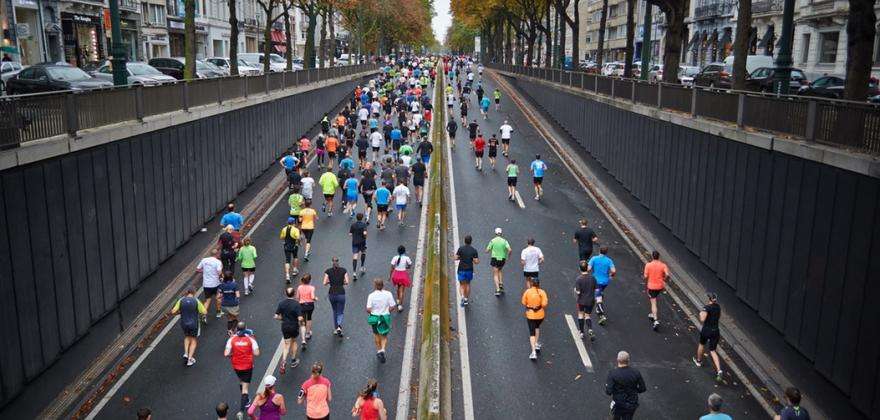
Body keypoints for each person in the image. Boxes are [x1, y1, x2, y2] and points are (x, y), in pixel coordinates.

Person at [225, 322, 260, 415]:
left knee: (241, 381)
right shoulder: (250, 339)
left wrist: (234, 354)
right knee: (245, 389)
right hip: (247, 366)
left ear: (236, 329)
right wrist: (248, 351)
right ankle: (241, 410)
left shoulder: (232, 339)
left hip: (236, 366)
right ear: (246, 328)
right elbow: (257, 353)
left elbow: (226, 353)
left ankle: (247, 400)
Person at [605, 351, 647, 420]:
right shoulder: (636, 372)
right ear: (628, 360)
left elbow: (608, 391)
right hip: (632, 403)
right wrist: (635, 390)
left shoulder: (613, 373)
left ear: (617, 360)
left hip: (618, 403)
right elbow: (643, 388)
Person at [171, 288, 207, 366]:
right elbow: (204, 311)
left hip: (184, 323)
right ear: (194, 293)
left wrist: (180, 312)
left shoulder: (181, 300)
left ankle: (186, 353)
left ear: (186, 293)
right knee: (193, 340)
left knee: (187, 337)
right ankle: (190, 359)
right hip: (194, 324)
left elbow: (173, 311)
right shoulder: (196, 301)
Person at [693, 293, 724, 382]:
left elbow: (702, 319)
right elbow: (719, 317)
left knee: (702, 344)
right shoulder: (718, 307)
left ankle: (698, 361)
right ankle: (719, 370)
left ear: (709, 299)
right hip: (715, 331)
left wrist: (700, 313)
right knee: (713, 350)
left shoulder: (707, 308)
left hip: (706, 330)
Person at [366, 278, 397, 363]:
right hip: (384, 317)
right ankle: (383, 349)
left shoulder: (371, 295)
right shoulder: (388, 294)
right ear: (383, 285)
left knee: (376, 334)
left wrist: (373, 312)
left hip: (375, 317)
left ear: (375, 285)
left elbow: (368, 309)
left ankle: (379, 350)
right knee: (384, 335)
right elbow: (393, 306)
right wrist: (387, 312)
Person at [275, 287, 302, 375]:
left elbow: (276, 316)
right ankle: (293, 360)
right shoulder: (296, 304)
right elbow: (300, 318)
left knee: (286, 344)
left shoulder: (281, 303)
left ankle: (283, 361)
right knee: (294, 342)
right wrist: (301, 322)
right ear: (294, 294)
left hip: (285, 326)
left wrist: (282, 318)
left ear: (286, 293)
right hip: (294, 326)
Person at [521, 277, 548, 360]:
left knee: (531, 333)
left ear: (532, 283)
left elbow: (523, 302)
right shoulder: (542, 292)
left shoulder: (527, 292)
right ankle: (536, 343)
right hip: (540, 315)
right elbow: (544, 304)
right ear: (539, 284)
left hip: (530, 315)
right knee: (537, 327)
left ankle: (533, 352)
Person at [588, 246, 616, 325]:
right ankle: (598, 306)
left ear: (599, 251)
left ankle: (601, 314)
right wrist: (611, 275)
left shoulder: (594, 258)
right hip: (605, 282)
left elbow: (588, 269)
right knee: (600, 293)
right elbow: (614, 271)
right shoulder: (609, 261)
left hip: (596, 281)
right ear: (606, 252)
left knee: (598, 297)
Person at [323, 257, 350, 336]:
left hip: (332, 293)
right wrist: (342, 282)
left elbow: (324, 282)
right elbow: (347, 282)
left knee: (334, 310)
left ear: (332, 262)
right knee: (340, 311)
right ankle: (339, 327)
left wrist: (330, 281)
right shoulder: (343, 270)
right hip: (341, 293)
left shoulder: (328, 271)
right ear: (338, 261)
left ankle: (335, 328)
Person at [643, 251, 670, 331]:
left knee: (653, 302)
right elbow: (667, 275)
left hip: (651, 286)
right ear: (659, 257)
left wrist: (646, 277)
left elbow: (645, 276)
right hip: (660, 286)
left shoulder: (648, 265)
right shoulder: (663, 265)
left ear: (652, 256)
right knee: (654, 299)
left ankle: (655, 320)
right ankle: (652, 313)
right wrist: (664, 280)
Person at [197, 248, 224, 320]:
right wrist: (222, 277)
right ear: (217, 254)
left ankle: (204, 314)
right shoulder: (218, 262)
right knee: (218, 297)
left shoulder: (204, 260)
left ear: (210, 254)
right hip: (216, 284)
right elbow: (219, 272)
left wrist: (204, 271)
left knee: (207, 300)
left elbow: (198, 269)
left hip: (206, 284)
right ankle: (218, 312)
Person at [574, 261, 597, 341]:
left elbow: (578, 292)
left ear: (579, 269)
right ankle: (590, 329)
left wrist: (575, 290)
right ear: (587, 268)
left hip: (581, 301)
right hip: (590, 301)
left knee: (580, 314)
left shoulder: (579, 279)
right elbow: (596, 288)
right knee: (587, 315)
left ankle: (581, 332)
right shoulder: (593, 278)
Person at [455, 235, 480, 307]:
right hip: (469, 270)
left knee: (462, 284)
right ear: (471, 241)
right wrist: (472, 259)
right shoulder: (474, 250)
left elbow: (456, 258)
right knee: (468, 284)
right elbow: (476, 262)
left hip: (461, 269)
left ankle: (462, 296)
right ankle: (466, 299)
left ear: (464, 241)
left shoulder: (461, 249)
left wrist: (461, 257)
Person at [486, 228, 512, 296]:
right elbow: (509, 250)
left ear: (495, 233)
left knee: (495, 274)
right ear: (501, 233)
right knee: (500, 270)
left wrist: (490, 249)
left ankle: (497, 290)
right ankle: (501, 283)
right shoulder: (504, 241)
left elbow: (487, 250)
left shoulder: (492, 241)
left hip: (495, 258)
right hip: (502, 258)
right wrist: (507, 256)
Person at [389, 245, 413, 311]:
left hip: (396, 275)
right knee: (402, 290)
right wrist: (407, 267)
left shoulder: (395, 258)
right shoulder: (406, 258)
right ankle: (400, 305)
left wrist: (390, 276)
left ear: (398, 251)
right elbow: (410, 265)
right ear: (404, 251)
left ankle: (397, 299)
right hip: (403, 275)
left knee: (398, 287)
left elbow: (392, 268)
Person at [297, 274, 317, 348]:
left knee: (302, 322)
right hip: (310, 305)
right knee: (309, 318)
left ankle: (303, 340)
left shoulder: (299, 287)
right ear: (310, 280)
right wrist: (315, 298)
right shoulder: (312, 288)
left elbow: (297, 297)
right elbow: (312, 297)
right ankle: (308, 333)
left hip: (302, 305)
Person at [280, 217, 301, 283]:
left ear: (287, 222)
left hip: (286, 246)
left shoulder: (284, 229)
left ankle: (287, 275)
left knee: (287, 260)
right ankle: (294, 270)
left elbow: (281, 237)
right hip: (294, 245)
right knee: (295, 256)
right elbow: (298, 237)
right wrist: (299, 243)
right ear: (294, 222)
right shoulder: (295, 229)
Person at [350, 212, 369, 278]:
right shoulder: (364, 225)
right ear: (362, 218)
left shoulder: (353, 225)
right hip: (362, 242)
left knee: (355, 256)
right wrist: (365, 237)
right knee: (363, 252)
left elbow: (350, 234)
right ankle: (362, 266)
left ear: (356, 218)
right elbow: (365, 233)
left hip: (355, 242)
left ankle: (354, 272)